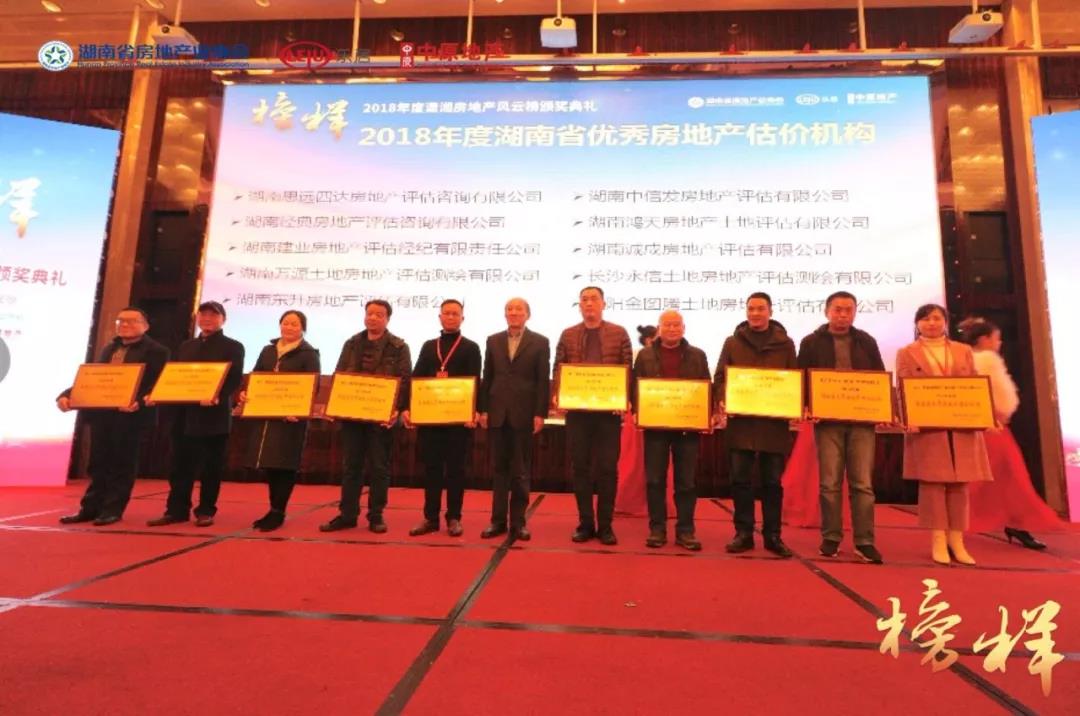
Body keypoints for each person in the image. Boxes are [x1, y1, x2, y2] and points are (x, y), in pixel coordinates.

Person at [896, 304, 992, 565]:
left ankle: (957, 540)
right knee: (933, 485)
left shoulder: (963, 350)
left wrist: (982, 414)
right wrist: (908, 418)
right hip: (927, 427)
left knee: (960, 484)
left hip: (961, 425)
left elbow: (974, 385)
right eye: (926, 319)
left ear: (945, 322)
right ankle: (938, 539)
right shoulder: (907, 352)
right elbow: (902, 389)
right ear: (917, 324)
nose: (931, 323)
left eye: (937, 318)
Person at [57, 307, 169, 525]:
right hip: (103, 415)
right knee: (98, 463)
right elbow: (96, 378)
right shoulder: (109, 348)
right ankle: (90, 508)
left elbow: (157, 384)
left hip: (131, 417)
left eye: (131, 321)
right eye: (120, 321)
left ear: (145, 326)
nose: (124, 324)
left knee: (122, 464)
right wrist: (67, 395)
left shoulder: (157, 351)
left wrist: (138, 401)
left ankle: (112, 509)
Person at [797, 291, 886, 564]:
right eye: (838, 309)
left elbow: (879, 378)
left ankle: (864, 541)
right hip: (827, 423)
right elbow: (802, 379)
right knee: (829, 483)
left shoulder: (866, 341)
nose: (843, 314)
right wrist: (806, 406)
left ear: (855, 312)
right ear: (827, 311)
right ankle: (831, 537)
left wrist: (883, 408)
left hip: (862, 423)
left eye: (848, 309)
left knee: (863, 485)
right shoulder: (811, 342)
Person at [957, 317, 1061, 549]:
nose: (999, 343)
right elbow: (995, 397)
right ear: (984, 339)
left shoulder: (967, 358)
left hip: (985, 425)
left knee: (1000, 477)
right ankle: (1011, 523)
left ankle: (1010, 523)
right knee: (1005, 476)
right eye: (996, 338)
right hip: (991, 427)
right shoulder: (986, 360)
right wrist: (998, 413)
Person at [713, 292, 798, 558]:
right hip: (741, 423)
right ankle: (743, 534)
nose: (755, 313)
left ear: (770, 311)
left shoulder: (785, 344)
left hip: (773, 423)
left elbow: (793, 379)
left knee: (772, 482)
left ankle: (773, 536)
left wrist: (793, 403)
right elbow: (720, 377)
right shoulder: (732, 342)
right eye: (751, 309)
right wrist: (723, 398)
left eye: (761, 308)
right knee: (740, 480)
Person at [149, 301, 245, 528]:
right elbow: (175, 376)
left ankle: (205, 511)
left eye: (213, 315)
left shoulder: (233, 346)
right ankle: (176, 510)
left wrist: (217, 396)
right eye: (203, 315)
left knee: (211, 467)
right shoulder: (186, 346)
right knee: (180, 466)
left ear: (223, 320)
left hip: (213, 415)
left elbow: (234, 378)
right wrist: (160, 393)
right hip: (183, 415)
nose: (207, 319)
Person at [320, 299, 411, 533]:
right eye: (369, 313)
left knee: (379, 468)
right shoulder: (351, 343)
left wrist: (396, 409)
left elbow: (404, 381)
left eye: (379, 315)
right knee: (351, 467)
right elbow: (339, 374)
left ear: (387, 319)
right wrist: (333, 405)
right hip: (352, 417)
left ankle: (376, 515)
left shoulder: (399, 346)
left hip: (382, 418)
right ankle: (347, 514)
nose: (373, 318)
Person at [554, 286, 633, 545]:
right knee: (581, 468)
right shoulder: (568, 334)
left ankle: (606, 526)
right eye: (584, 299)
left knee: (608, 469)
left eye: (594, 299)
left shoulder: (619, 333)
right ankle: (586, 523)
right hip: (578, 414)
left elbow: (627, 368)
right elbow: (558, 368)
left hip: (608, 414)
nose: (589, 303)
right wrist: (559, 395)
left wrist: (624, 397)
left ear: (603, 304)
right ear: (579, 305)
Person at [632, 309, 709, 551]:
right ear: (659, 328)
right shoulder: (644, 355)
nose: (672, 329)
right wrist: (637, 409)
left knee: (686, 481)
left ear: (684, 328)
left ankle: (686, 531)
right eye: (667, 325)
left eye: (677, 325)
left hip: (687, 427)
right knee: (655, 480)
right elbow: (635, 387)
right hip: (655, 426)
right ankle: (657, 529)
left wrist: (706, 415)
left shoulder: (698, 355)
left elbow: (706, 387)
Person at [406, 299, 482, 537]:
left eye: (455, 314)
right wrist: (409, 408)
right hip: (431, 419)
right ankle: (430, 518)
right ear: (439, 317)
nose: (450, 317)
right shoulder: (429, 346)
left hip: (458, 421)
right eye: (446, 313)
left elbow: (476, 381)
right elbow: (416, 378)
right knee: (432, 469)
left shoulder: (471, 347)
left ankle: (454, 517)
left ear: (462, 318)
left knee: (456, 470)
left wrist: (475, 411)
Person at [238, 310, 320, 532]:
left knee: (285, 465)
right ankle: (273, 509)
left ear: (303, 328)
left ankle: (278, 511)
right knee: (270, 465)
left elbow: (313, 387)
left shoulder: (309, 353)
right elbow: (256, 377)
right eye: (286, 323)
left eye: (294, 324)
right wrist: (245, 392)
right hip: (267, 416)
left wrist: (299, 409)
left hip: (291, 419)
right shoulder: (268, 350)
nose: (289, 327)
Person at [478, 297, 550, 541]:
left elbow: (542, 381)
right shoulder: (493, 340)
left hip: (524, 413)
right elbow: (487, 376)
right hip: (497, 413)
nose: (514, 312)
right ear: (505, 314)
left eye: (519, 309)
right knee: (499, 470)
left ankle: (518, 523)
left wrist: (540, 413)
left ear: (527, 314)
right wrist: (483, 409)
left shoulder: (540, 342)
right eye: (509, 309)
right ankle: (497, 521)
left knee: (520, 471)